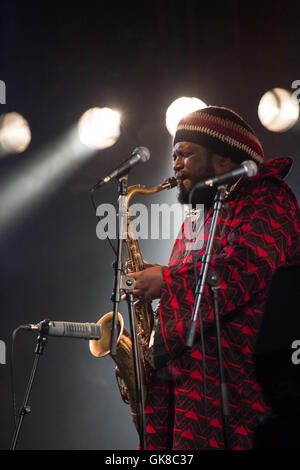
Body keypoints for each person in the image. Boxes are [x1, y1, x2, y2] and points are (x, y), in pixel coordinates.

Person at [129, 106, 300, 450]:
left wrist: (168, 281)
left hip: (240, 394)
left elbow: (246, 267)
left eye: (186, 154)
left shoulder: (269, 198)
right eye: (174, 155)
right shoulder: (199, 216)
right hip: (190, 393)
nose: (174, 164)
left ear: (223, 161)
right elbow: (193, 276)